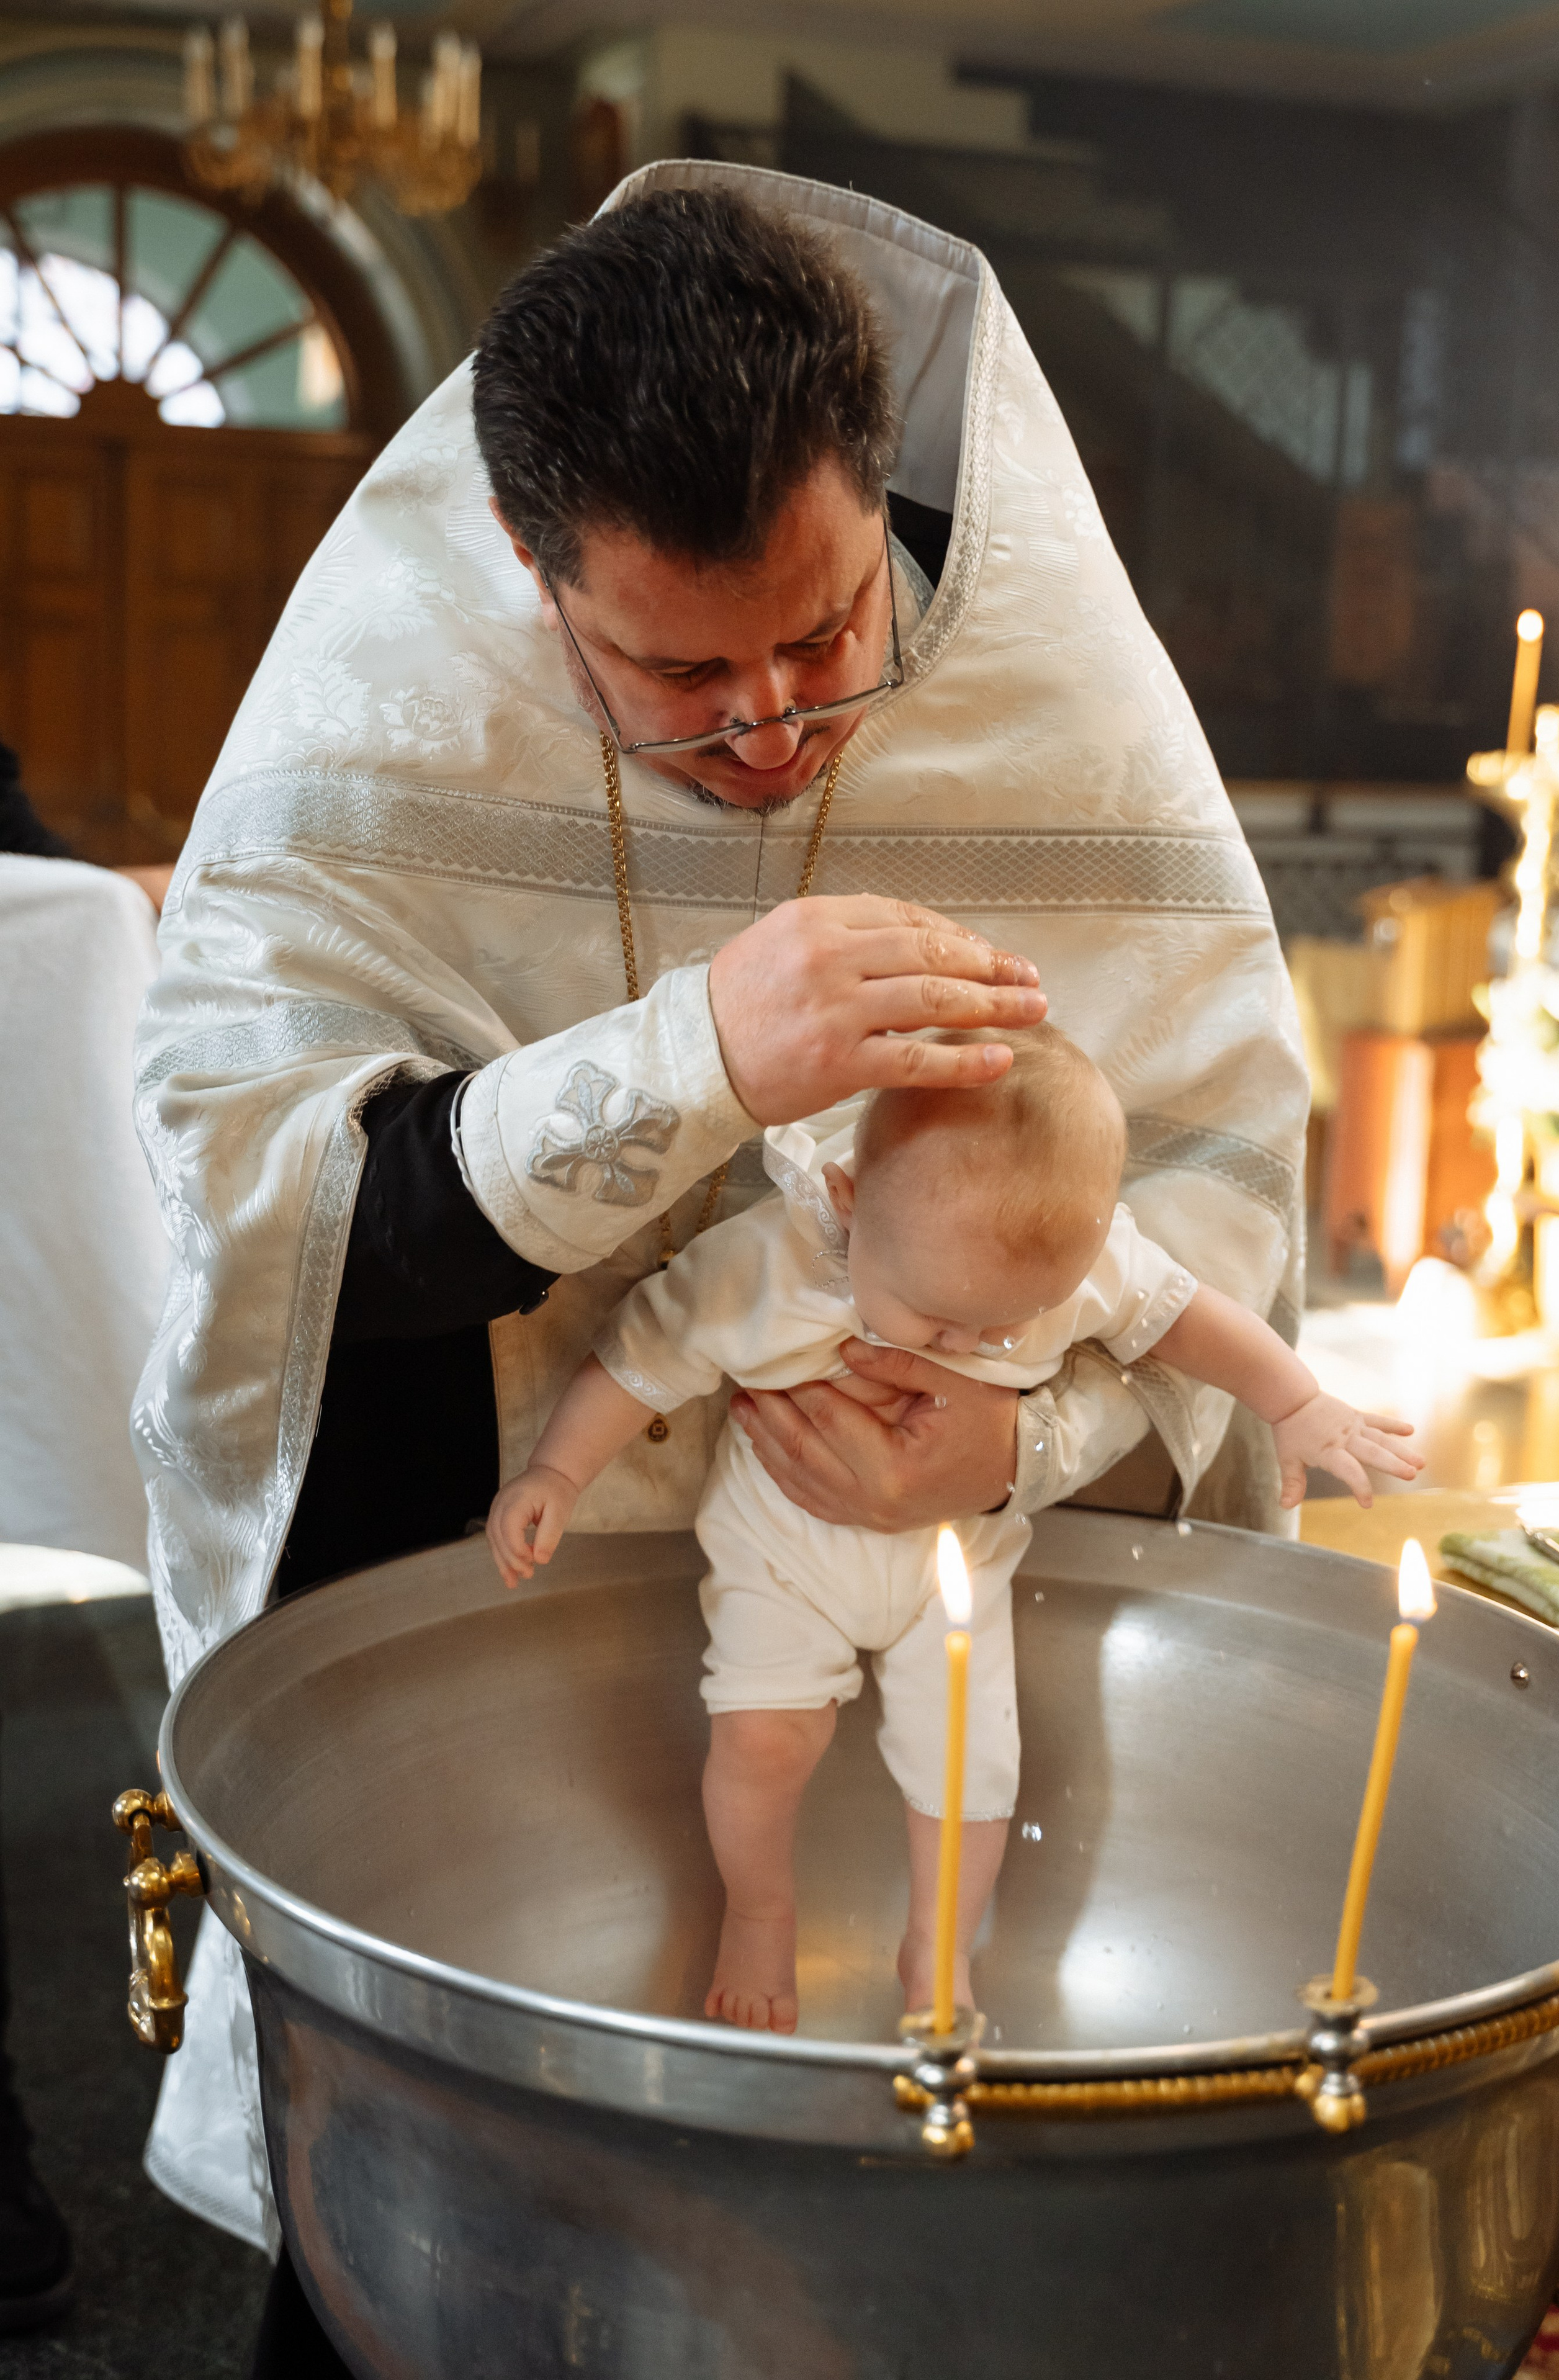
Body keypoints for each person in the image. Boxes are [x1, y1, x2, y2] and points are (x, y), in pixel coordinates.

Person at [131, 165, 1310, 2364]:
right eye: (677, 669)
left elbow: (1219, 1185)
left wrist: (1025, 1420)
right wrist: (698, 1058)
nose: (771, 728)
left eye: (831, 631)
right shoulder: (394, 714)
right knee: (435, 2273)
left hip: (915, 1655)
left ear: (885, 502)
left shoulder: (1059, 695)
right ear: (527, 566)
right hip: (487, 1665)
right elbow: (261, 1227)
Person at [487, 1025, 1416, 2034]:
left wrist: (1296, 1404)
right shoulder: (771, 1264)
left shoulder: (1085, 1263)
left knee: (972, 1776)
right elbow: (641, 1357)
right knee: (763, 1742)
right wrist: (558, 1470)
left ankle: (939, 1949)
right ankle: (759, 1911)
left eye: (1011, 1325)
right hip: (781, 1553)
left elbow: (1189, 1316)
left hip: (956, 1563)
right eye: (939, 1320)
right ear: (850, 1202)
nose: (972, 1347)